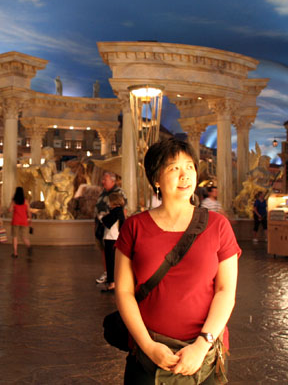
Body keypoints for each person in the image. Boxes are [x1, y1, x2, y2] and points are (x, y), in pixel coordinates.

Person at [115, 137, 240, 384]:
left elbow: (225, 291)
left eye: (190, 166)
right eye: (174, 168)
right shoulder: (134, 227)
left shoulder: (218, 226)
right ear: (156, 179)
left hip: (204, 354)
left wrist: (201, 345)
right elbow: (123, 291)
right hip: (148, 352)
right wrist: (149, 346)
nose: (185, 175)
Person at [94, 171, 127, 284]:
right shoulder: (103, 192)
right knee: (104, 250)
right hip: (103, 229)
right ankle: (108, 273)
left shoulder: (118, 193)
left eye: (105, 179)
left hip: (112, 232)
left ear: (112, 181)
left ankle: (113, 276)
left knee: (112, 255)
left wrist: (104, 218)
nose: (103, 181)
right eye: (102, 179)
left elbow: (122, 212)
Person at [100, 192, 126, 293]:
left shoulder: (116, 211)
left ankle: (112, 283)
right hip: (114, 238)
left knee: (110, 261)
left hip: (111, 238)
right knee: (113, 261)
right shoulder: (119, 211)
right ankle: (114, 282)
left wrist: (102, 217)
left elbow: (106, 221)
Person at [8, 186, 32, 258]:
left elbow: (10, 210)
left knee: (15, 237)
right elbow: (29, 212)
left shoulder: (14, 201)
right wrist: (30, 219)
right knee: (24, 236)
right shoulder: (25, 201)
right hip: (24, 221)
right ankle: (29, 246)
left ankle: (15, 252)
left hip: (16, 220)